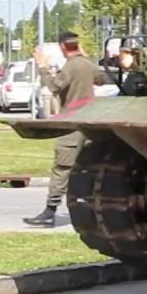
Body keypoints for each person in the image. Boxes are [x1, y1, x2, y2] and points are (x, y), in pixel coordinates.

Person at [23, 31, 97, 227]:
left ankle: (50, 211)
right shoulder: (87, 64)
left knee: (62, 167)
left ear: (63, 47)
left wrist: (43, 67)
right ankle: (90, 210)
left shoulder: (72, 65)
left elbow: (55, 86)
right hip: (90, 123)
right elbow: (102, 79)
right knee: (86, 168)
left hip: (72, 123)